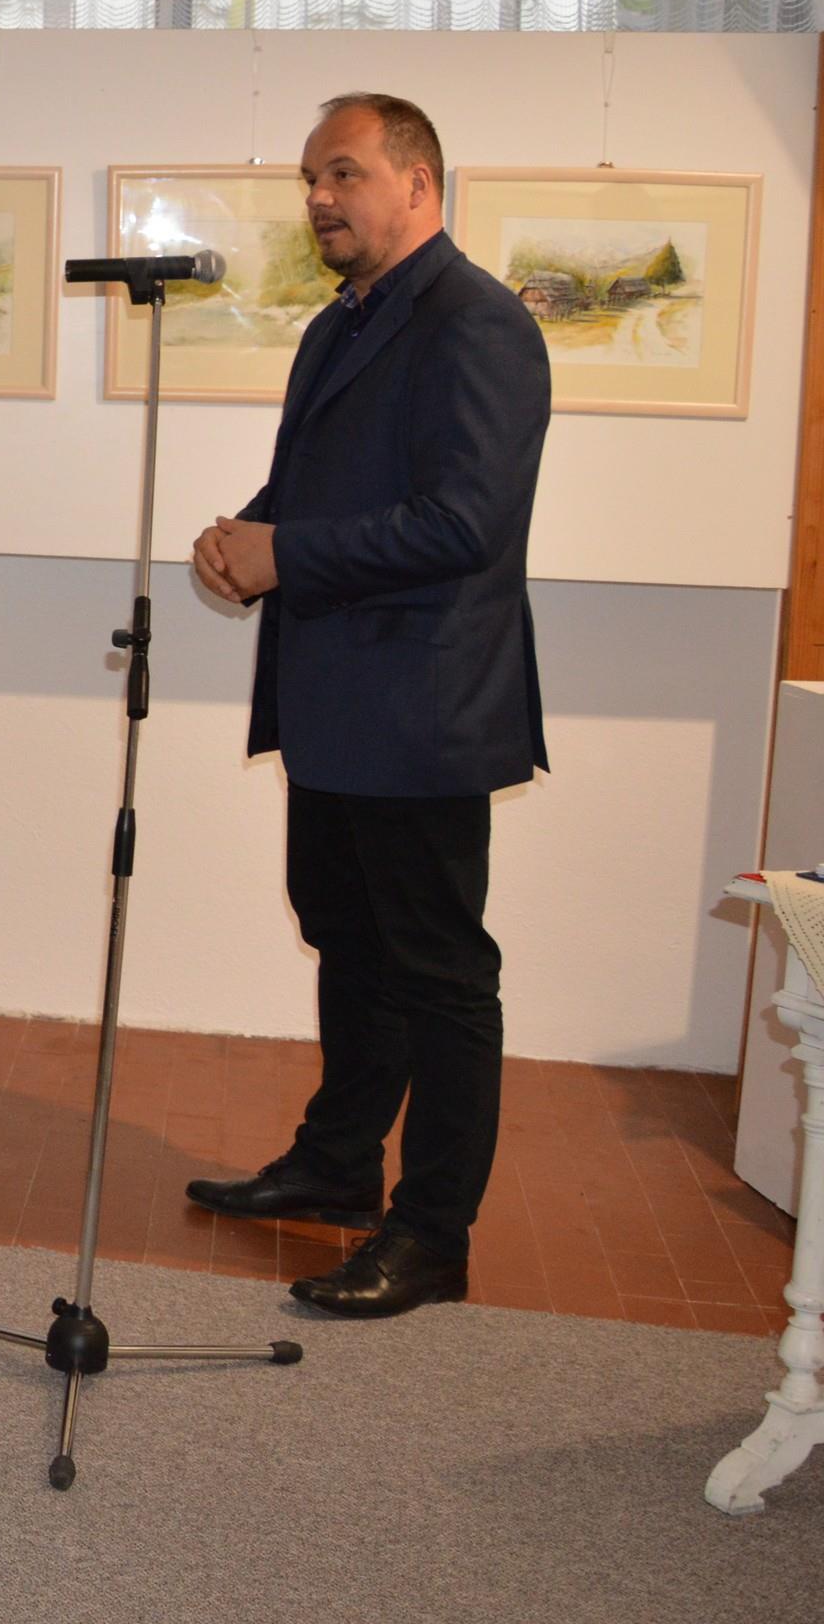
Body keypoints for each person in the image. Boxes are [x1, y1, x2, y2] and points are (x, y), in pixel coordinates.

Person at [185, 92, 550, 1320]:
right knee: (344, 935)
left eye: (341, 172)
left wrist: (285, 554)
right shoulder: (337, 322)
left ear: (416, 181)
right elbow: (307, 489)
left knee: (438, 973)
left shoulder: (477, 322)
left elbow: (463, 523)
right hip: (337, 698)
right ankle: (339, 1163)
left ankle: (432, 1233)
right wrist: (242, 535)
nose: (317, 198)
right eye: (309, 178)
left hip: (422, 707)